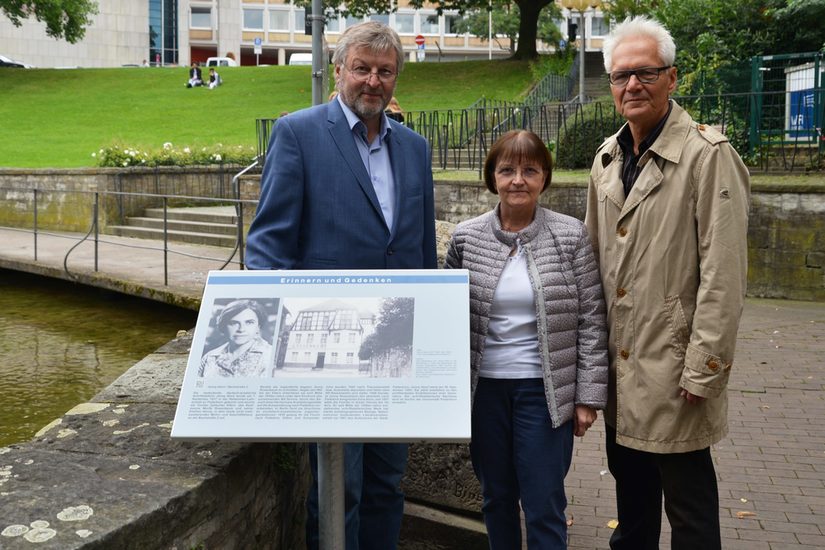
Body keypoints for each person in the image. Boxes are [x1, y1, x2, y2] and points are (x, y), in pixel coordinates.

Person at [245, 21, 437, 550]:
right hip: (328, 348)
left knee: (385, 483)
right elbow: (265, 250)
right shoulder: (299, 134)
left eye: (384, 71)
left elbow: (419, 253)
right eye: (362, 68)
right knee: (338, 488)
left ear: (396, 77)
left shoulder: (416, 150)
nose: (372, 81)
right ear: (338, 70)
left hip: (395, 344)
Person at [584, 16, 750, 550]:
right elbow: (591, 265)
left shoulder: (708, 157)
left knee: (690, 514)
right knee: (631, 513)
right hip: (620, 364)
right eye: (620, 75)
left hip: (675, 366)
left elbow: (724, 277)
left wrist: (704, 368)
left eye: (646, 73)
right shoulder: (607, 158)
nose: (632, 85)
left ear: (672, 78)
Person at [445, 130, 608, 549]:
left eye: (529, 170)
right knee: (496, 497)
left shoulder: (571, 236)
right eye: (507, 170)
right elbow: (446, 317)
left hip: (545, 392)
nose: (518, 179)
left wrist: (588, 396)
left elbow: (592, 318)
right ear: (492, 177)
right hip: (486, 393)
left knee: (543, 501)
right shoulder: (466, 237)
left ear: (544, 178)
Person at [198, 299, 273, 377]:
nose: (241, 329)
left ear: (258, 327)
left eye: (249, 322)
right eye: (233, 323)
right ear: (224, 326)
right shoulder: (210, 357)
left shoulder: (269, 356)